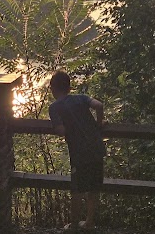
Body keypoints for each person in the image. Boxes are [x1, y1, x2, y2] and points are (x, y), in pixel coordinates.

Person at [48, 70, 105, 230]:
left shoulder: (55, 107)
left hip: (79, 152)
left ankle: (73, 225)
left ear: (53, 88)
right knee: (93, 187)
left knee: (77, 189)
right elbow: (99, 105)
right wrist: (99, 125)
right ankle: (89, 222)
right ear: (69, 87)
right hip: (96, 147)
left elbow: (60, 131)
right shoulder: (81, 98)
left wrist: (63, 126)